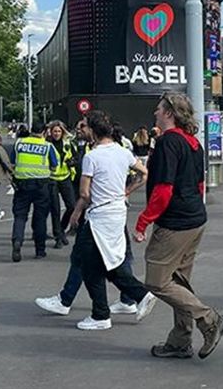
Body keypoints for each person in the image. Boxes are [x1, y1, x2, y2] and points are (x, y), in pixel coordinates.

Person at [134, 92, 223, 360]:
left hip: (175, 222)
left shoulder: (168, 142)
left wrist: (143, 221)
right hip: (194, 218)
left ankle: (209, 319)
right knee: (179, 281)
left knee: (157, 281)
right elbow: (199, 184)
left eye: (159, 109)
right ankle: (180, 339)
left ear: (169, 113)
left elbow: (163, 189)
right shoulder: (193, 143)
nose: (155, 112)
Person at [57, 110, 157, 330]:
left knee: (89, 262)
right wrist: (126, 191)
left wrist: (76, 212)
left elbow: (84, 193)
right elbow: (144, 173)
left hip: (98, 216)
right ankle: (132, 298)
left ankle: (106, 312)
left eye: (85, 126)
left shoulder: (92, 157)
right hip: (117, 212)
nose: (82, 130)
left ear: (93, 131)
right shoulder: (123, 152)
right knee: (106, 261)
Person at [11, 122, 60, 262]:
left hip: (22, 184)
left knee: (20, 216)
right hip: (41, 185)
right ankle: (40, 250)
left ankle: (17, 241)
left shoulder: (19, 143)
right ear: (44, 132)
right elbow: (54, 165)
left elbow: (13, 162)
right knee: (40, 218)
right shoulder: (47, 146)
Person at [46, 122, 77, 248]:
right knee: (55, 209)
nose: (57, 134)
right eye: (55, 131)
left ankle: (61, 229)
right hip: (51, 179)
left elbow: (76, 157)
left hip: (65, 178)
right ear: (51, 132)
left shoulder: (67, 144)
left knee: (72, 206)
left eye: (59, 131)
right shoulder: (47, 145)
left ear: (62, 132)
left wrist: (72, 162)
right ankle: (58, 237)